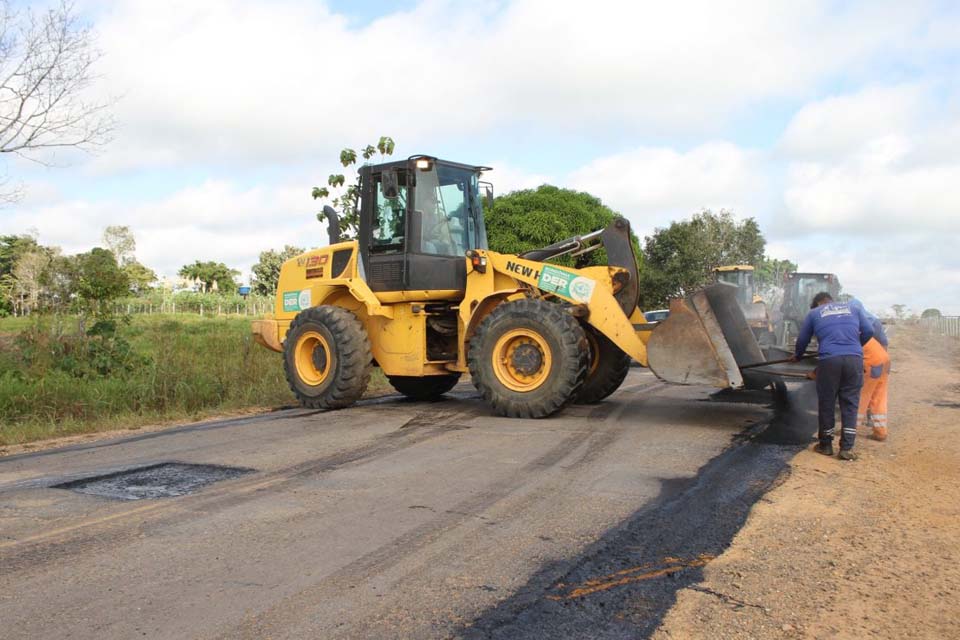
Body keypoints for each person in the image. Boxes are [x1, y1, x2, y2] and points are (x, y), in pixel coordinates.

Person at [792, 292, 875, 461]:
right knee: (850, 404)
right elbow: (869, 330)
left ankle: (826, 445)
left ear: (817, 304)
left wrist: (798, 355)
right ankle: (846, 449)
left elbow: (803, 339)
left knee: (827, 402)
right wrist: (854, 346)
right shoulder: (853, 308)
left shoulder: (814, 313)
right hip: (854, 360)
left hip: (829, 361)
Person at [849, 298, 891, 441]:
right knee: (879, 397)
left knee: (861, 394)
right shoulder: (872, 321)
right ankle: (880, 432)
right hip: (883, 359)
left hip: (871, 362)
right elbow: (884, 344)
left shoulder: (851, 326)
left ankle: (850, 429)